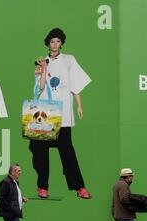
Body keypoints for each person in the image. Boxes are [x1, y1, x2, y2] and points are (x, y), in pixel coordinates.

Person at [31, 28, 92, 199]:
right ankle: (42, 186)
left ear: (62, 43)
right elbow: (40, 88)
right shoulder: (41, 62)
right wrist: (42, 69)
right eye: (52, 41)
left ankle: (79, 187)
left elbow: (75, 85)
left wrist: (79, 105)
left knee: (68, 152)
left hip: (64, 114)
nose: (55, 44)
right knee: (41, 152)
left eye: (58, 41)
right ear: (48, 44)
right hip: (46, 114)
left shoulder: (69, 60)